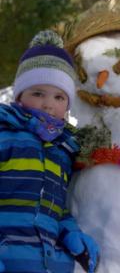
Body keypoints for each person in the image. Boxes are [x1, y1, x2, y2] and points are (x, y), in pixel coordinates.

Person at [0, 30, 99, 273]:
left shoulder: (62, 150)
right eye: (38, 93)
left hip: (48, 263)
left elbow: (56, 207)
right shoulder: (5, 135)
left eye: (59, 97)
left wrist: (70, 233)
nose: (48, 104)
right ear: (19, 96)